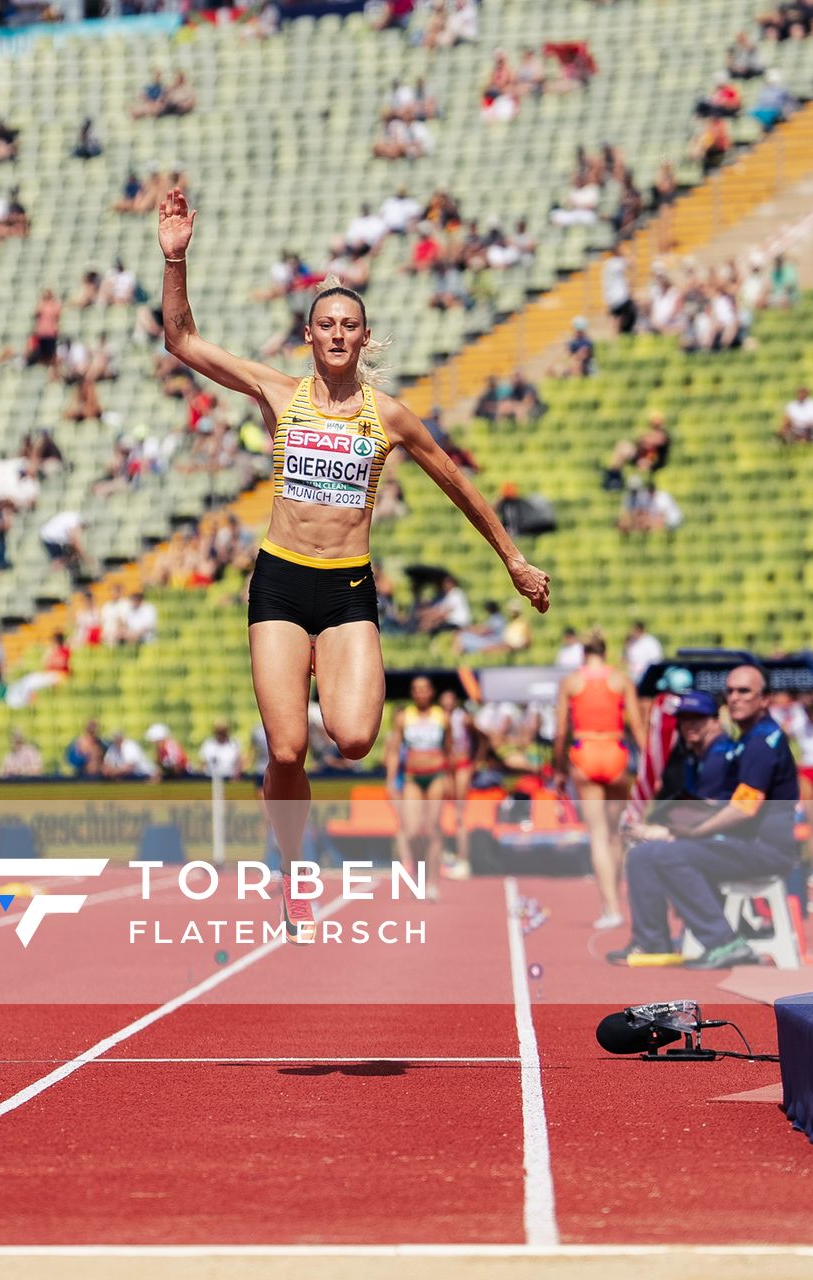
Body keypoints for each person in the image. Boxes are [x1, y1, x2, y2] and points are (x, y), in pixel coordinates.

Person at [157, 188, 548, 943]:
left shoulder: (388, 416)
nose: (338, 334)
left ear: (365, 339)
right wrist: (176, 258)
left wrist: (513, 559)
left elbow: (459, 483)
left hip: (345, 591)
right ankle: (295, 870)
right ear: (309, 336)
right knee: (288, 746)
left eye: (350, 326)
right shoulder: (279, 391)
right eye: (327, 324)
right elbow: (183, 340)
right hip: (279, 580)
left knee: (356, 737)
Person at [610, 668, 801, 968]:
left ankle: (724, 942)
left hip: (765, 850)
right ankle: (652, 942)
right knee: (645, 855)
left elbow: (744, 808)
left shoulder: (761, 742)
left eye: (744, 691)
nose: (734, 698)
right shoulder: (747, 740)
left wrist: (685, 834)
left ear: (764, 699)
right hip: (742, 844)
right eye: (731, 691)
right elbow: (716, 804)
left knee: (668, 855)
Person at [553, 630, 642, 928]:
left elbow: (561, 731)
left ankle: (611, 907)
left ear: (582, 653)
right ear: (606, 652)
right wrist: (649, 767)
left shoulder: (572, 682)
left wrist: (559, 768)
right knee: (616, 834)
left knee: (598, 835)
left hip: (586, 750)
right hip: (615, 751)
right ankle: (615, 896)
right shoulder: (620, 680)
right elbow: (638, 728)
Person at [387, 677, 451, 897]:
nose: (421, 693)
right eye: (416, 690)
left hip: (436, 775)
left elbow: (448, 748)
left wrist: (449, 777)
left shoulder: (441, 716)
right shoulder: (405, 717)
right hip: (413, 777)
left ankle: (433, 881)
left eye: (424, 689)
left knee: (433, 829)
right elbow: (395, 750)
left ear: (431, 692)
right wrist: (391, 779)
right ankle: (417, 870)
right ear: (412, 693)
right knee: (412, 831)